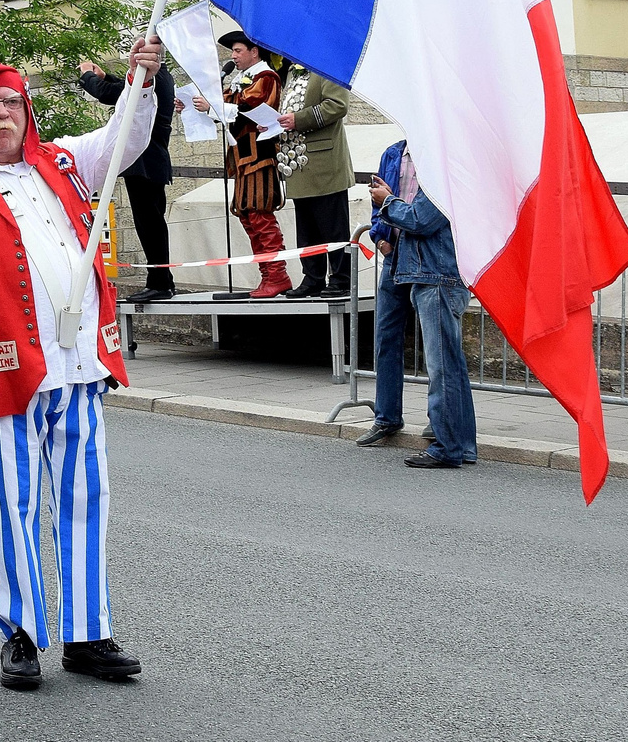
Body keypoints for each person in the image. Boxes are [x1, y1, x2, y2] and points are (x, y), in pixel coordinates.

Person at [0, 39, 161, 691]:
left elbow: (123, 139)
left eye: (11, 104)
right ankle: (19, 634)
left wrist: (141, 78)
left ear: (26, 110)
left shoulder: (65, 162)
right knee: (10, 504)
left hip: (77, 364)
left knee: (84, 497)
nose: (1, 115)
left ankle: (86, 631)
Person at [365, 144, 477, 469]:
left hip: (438, 275)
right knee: (450, 364)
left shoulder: (442, 168)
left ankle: (447, 446)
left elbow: (420, 219)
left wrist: (387, 201)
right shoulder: (444, 162)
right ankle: (461, 444)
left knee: (443, 366)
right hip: (433, 272)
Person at [177, 32, 290, 298]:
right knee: (250, 218)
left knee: (261, 216)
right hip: (241, 158)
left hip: (259, 156)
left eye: (238, 50)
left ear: (255, 52)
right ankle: (269, 275)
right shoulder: (241, 81)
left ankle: (277, 275)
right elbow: (225, 110)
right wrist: (193, 106)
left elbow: (245, 107)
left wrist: (213, 105)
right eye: (233, 51)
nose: (233, 56)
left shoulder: (266, 78)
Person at [78, 57, 177, 303]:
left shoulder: (152, 79)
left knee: (150, 225)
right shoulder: (161, 77)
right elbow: (120, 91)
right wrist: (105, 77)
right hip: (150, 161)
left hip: (145, 161)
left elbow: (109, 94)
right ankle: (162, 281)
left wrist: (88, 76)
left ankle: (160, 282)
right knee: (150, 223)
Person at [276, 65, 355, 298]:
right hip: (298, 164)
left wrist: (298, 119)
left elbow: (338, 105)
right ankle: (313, 278)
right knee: (307, 230)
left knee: (333, 227)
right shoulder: (292, 72)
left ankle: (341, 279)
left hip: (325, 163)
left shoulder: (326, 66)